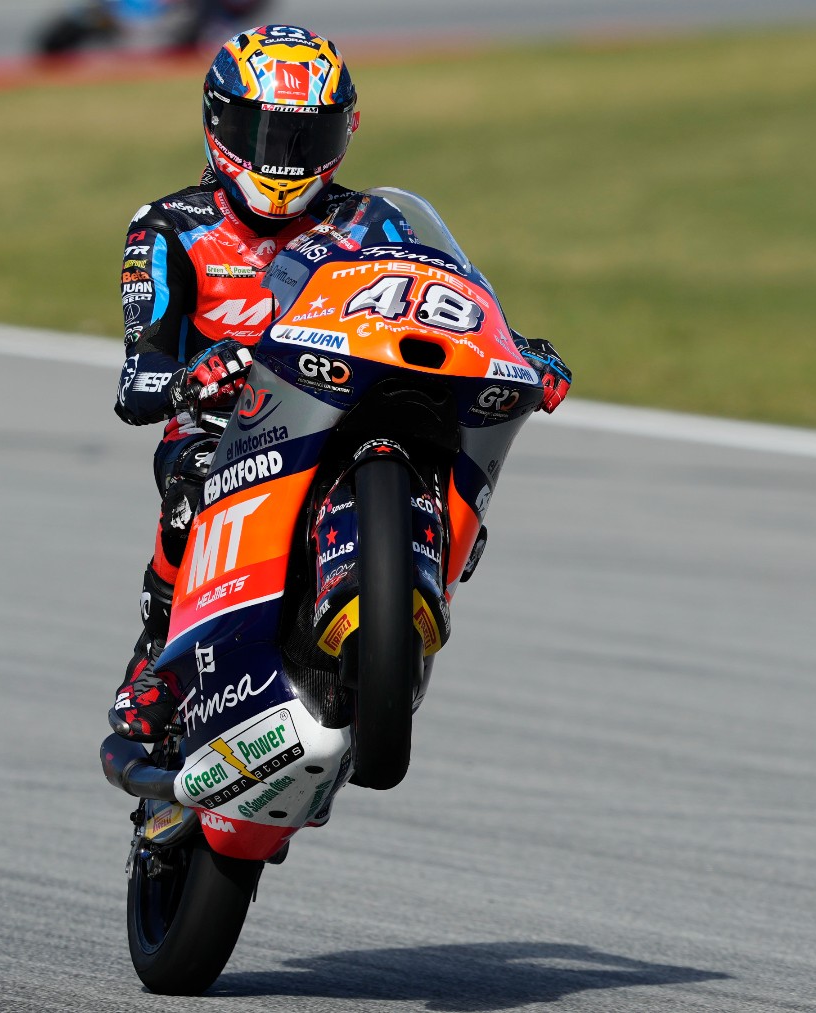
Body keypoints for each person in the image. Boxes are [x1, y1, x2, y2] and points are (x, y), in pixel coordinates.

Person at [107, 24, 572, 742]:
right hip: (223, 428)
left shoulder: (370, 219)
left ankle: (394, 600)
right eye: (261, 134)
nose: (282, 160)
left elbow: (450, 299)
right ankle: (155, 667)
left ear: (344, 135)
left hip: (345, 406)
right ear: (215, 121)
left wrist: (517, 348)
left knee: (442, 458)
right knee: (191, 488)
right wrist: (191, 377)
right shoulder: (169, 227)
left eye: (305, 139)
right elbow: (141, 380)